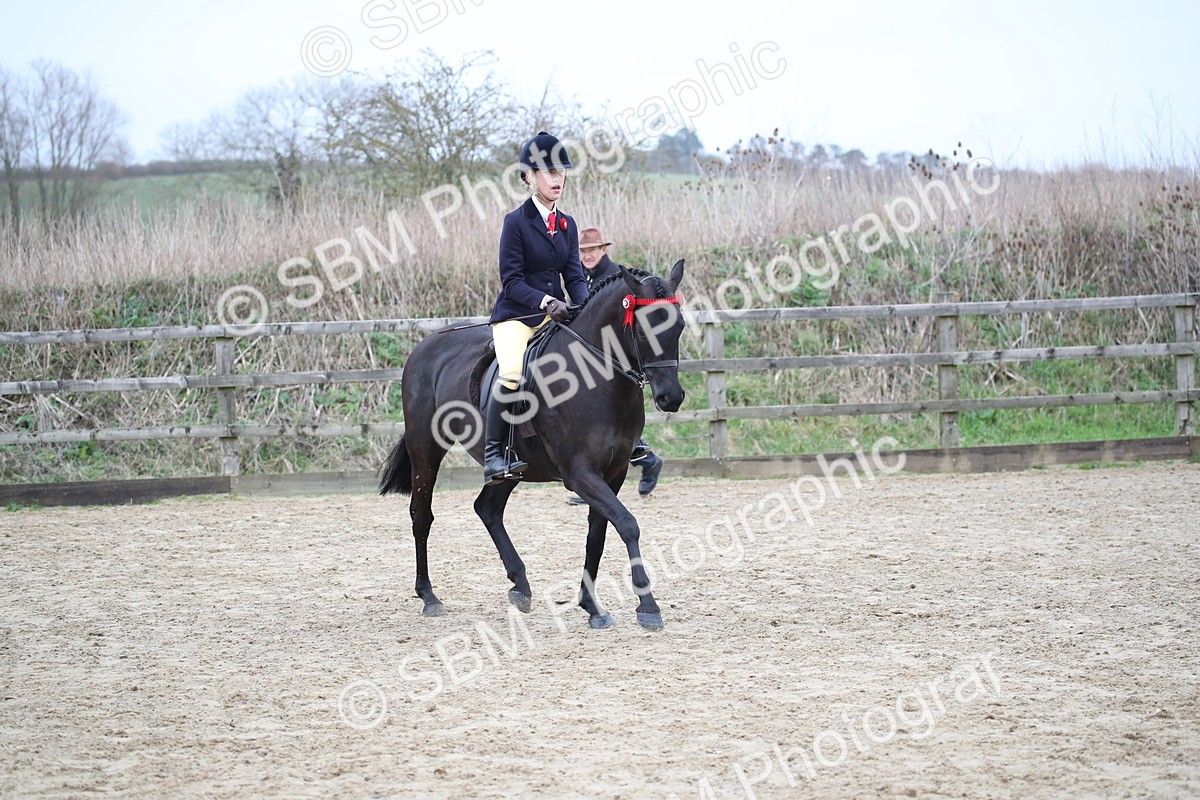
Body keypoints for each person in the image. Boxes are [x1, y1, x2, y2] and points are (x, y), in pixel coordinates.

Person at [483, 131, 589, 486]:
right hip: (518, 315)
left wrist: (585, 309)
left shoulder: (568, 224)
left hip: (557, 314)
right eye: (548, 173)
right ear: (529, 177)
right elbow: (511, 281)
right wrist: (545, 301)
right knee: (512, 372)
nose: (557, 179)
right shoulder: (516, 222)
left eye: (561, 172)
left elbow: (574, 277)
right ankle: (494, 455)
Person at [565, 226, 666, 504]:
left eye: (592, 250)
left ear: (603, 250)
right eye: (583, 251)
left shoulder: (613, 277)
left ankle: (636, 459)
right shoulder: (586, 275)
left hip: (614, 352)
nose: (587, 255)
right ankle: (643, 459)